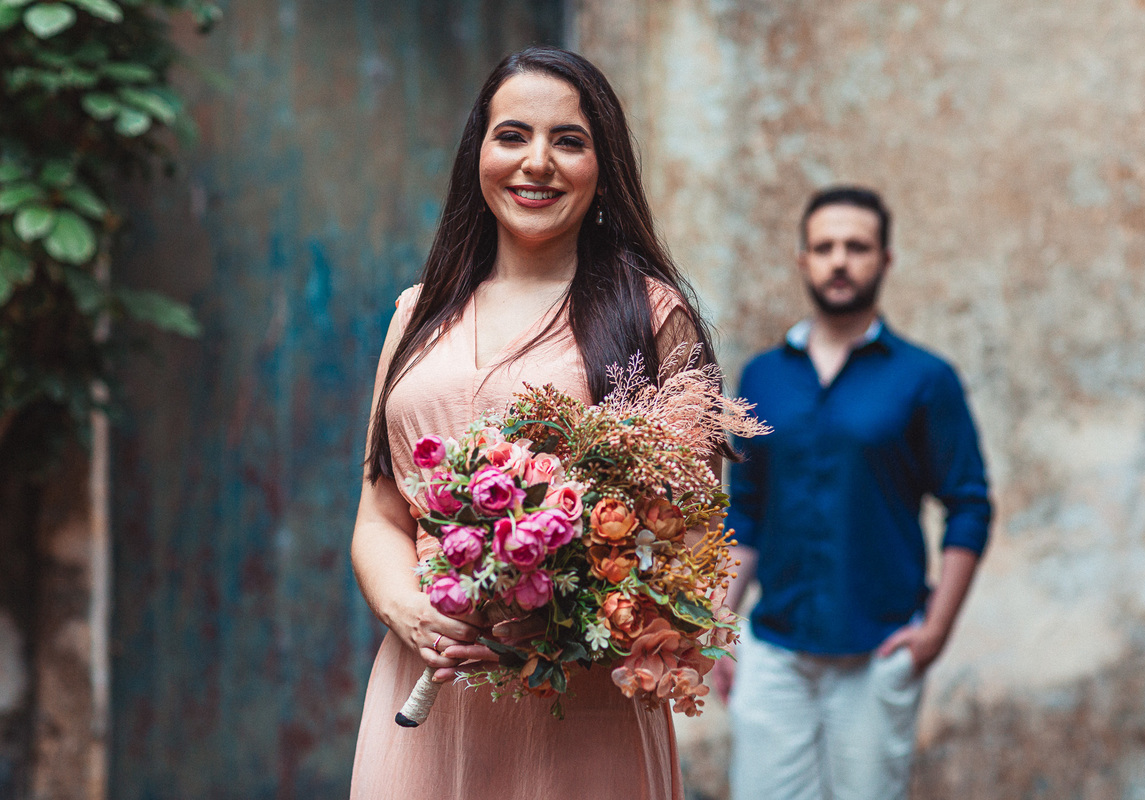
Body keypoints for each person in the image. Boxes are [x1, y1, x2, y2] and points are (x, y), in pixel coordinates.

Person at [348, 46, 720, 800]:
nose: (537, 163)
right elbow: (381, 514)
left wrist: (553, 621)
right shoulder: (416, 315)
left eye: (569, 141)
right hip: (428, 689)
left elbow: (693, 541)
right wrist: (409, 612)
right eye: (512, 135)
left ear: (603, 164)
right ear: (478, 153)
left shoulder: (651, 317)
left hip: (576, 710)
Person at [714, 186, 991, 800]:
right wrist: (718, 628)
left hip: (878, 648)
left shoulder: (925, 378)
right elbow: (747, 512)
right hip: (774, 648)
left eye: (857, 247)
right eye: (824, 247)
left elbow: (969, 503)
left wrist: (936, 631)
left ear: (885, 259)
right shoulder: (763, 376)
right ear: (803, 260)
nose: (840, 260)